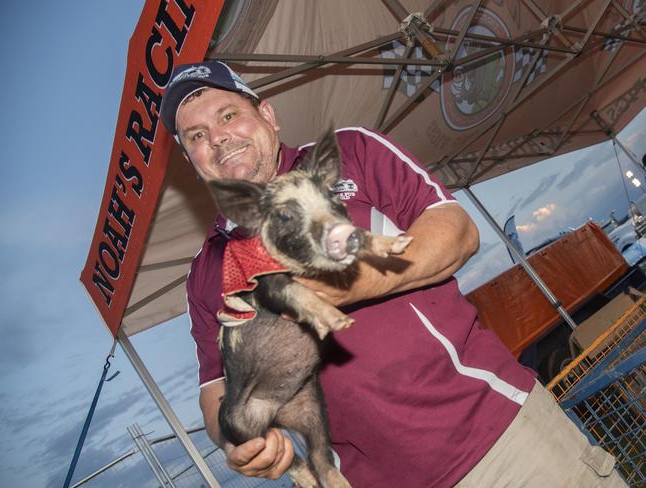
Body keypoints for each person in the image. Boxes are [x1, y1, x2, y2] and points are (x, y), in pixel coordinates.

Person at [160, 60, 627, 487]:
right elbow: (216, 393)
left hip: (504, 444)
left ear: (267, 115)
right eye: (196, 136)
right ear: (190, 161)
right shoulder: (206, 273)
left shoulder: (351, 151)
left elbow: (456, 231)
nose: (217, 138)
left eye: (227, 115)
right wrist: (238, 442)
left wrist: (352, 283)